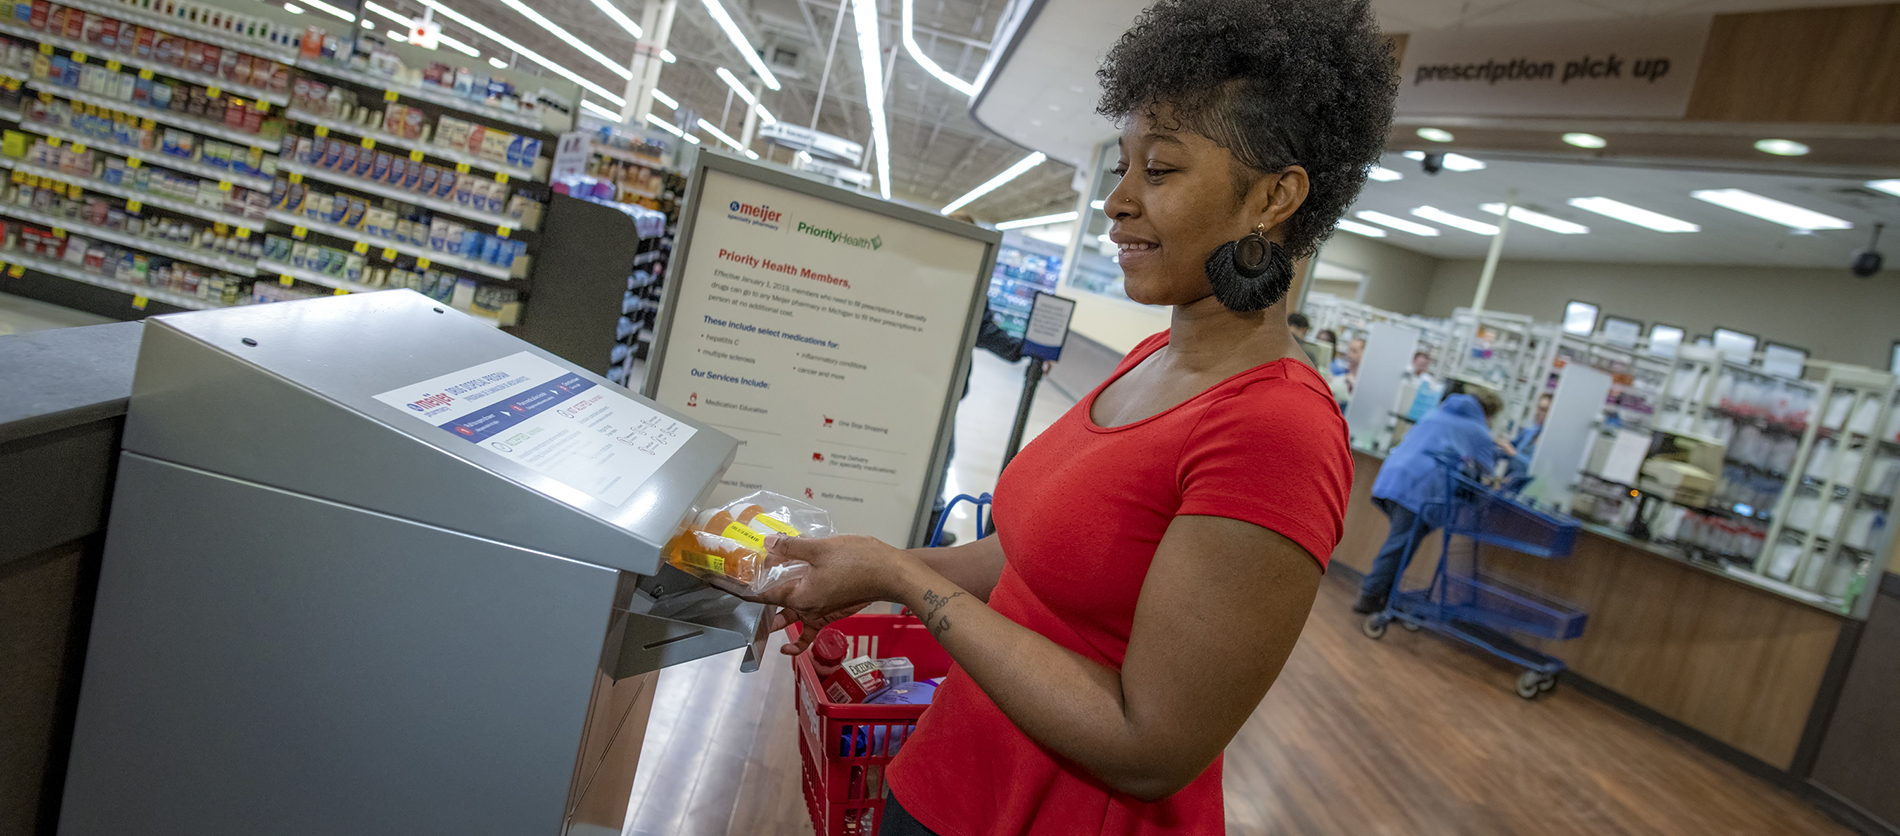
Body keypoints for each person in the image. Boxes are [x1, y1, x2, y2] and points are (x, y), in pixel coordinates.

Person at [754, 2, 1396, 833]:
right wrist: (869, 572)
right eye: (1122, 168)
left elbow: (1149, 746)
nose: (1117, 202)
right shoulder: (1150, 361)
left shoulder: (1276, 430)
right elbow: (1026, 561)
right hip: (946, 781)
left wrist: (900, 577)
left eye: (1158, 170)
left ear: (1275, 197)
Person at [1353, 387, 1508, 614]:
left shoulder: (1435, 414)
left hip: (1392, 478)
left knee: (1401, 544)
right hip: (1420, 489)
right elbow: (1487, 470)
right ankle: (1370, 596)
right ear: (1489, 414)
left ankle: (1384, 595)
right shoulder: (1479, 431)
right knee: (1399, 546)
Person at [1504, 392, 1554, 482]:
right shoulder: (1531, 430)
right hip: (1509, 477)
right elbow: (1513, 444)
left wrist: (1514, 454)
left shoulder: (1550, 439)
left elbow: (1535, 467)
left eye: (1543, 410)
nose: (1538, 412)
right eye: (1538, 408)